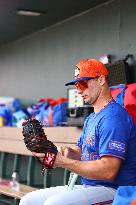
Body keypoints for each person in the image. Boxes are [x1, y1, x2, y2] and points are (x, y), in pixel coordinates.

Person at [19, 59, 136, 205]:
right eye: (76, 85)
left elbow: (108, 170)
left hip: (115, 189)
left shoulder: (114, 117)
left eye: (82, 84)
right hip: (91, 186)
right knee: (28, 201)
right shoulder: (92, 117)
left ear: (101, 80)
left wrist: (64, 162)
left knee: (54, 204)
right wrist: (66, 152)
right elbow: (84, 151)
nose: (79, 90)